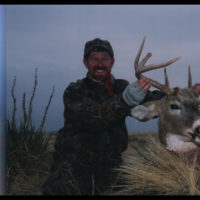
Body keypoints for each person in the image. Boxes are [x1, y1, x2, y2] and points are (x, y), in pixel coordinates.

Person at [42, 38, 164, 195]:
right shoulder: (75, 91)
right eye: (94, 59)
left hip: (111, 165)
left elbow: (153, 103)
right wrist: (124, 100)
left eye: (104, 59)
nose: (100, 64)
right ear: (86, 63)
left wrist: (184, 95)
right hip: (75, 164)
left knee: (149, 189)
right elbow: (94, 118)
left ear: (112, 62)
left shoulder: (121, 87)